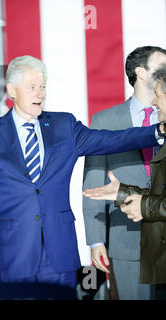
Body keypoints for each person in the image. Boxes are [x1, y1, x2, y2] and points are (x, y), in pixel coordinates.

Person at [0, 55, 164, 294]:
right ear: (12, 90)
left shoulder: (64, 125)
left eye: (43, 86)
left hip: (59, 253)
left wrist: (157, 131)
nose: (39, 93)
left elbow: (111, 139)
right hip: (12, 253)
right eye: (32, 87)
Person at [82, 46, 166, 299]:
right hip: (127, 240)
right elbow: (93, 184)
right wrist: (96, 240)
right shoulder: (104, 121)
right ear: (141, 72)